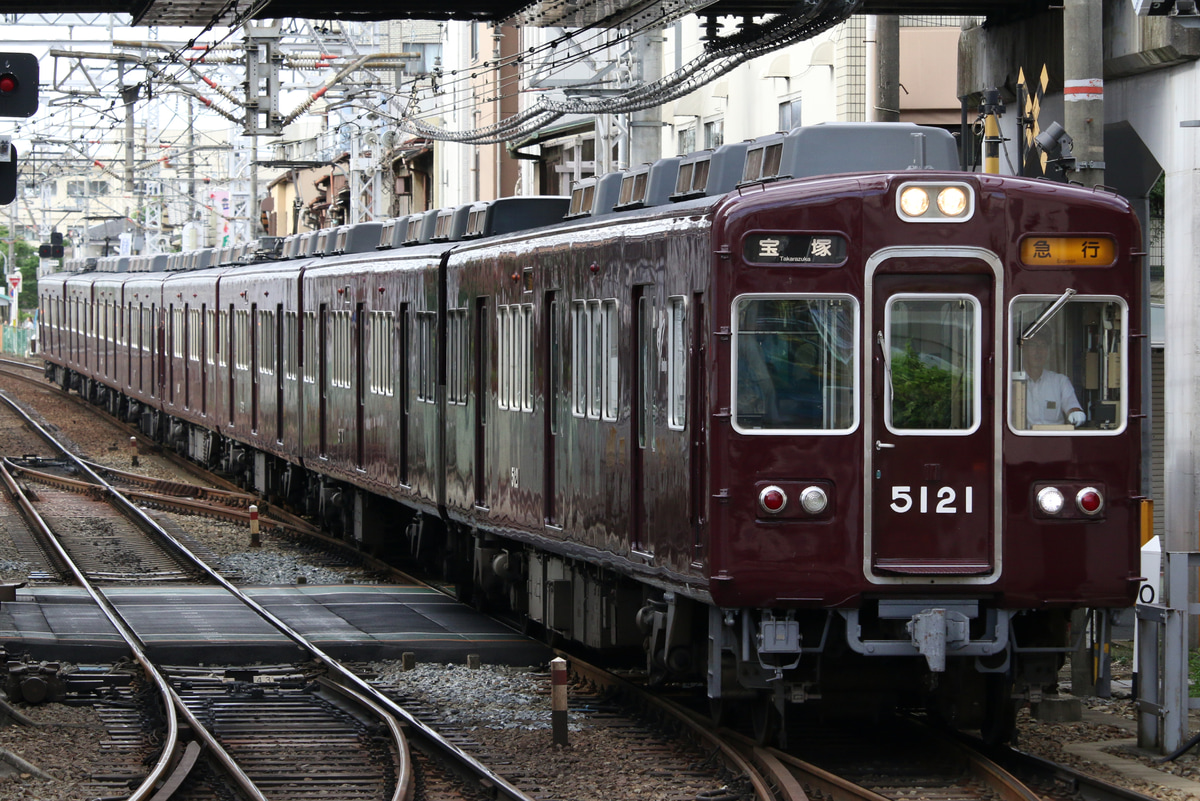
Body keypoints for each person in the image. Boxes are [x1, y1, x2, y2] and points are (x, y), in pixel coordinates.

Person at [1022, 332, 1085, 427]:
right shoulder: (1013, 381)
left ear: (1048, 351)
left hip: (1054, 439)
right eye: (1033, 345)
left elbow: (1072, 406)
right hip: (1022, 439)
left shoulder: (1060, 381)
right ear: (1023, 350)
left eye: (1043, 346)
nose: (1038, 351)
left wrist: (1076, 414)